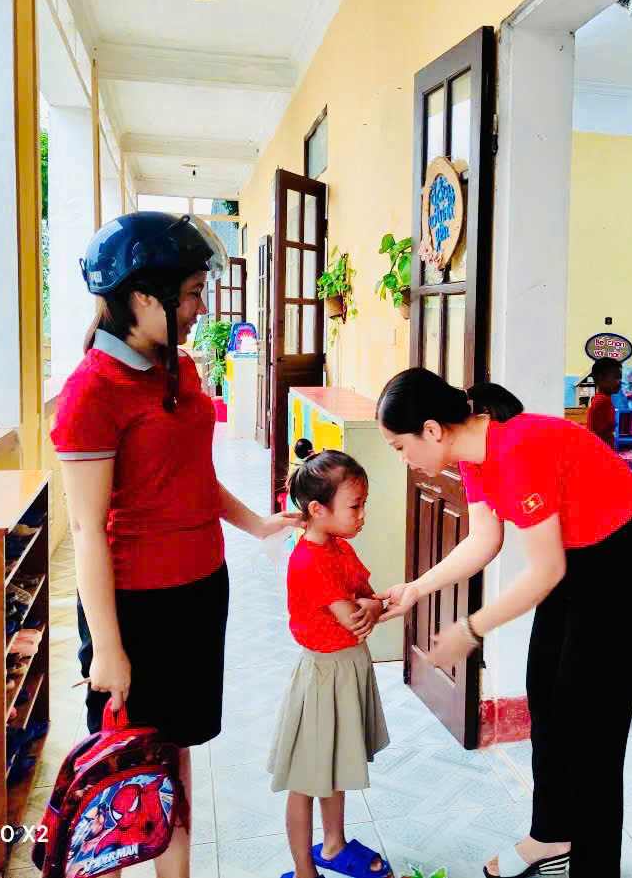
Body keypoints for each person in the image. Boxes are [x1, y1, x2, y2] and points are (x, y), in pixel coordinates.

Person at [51, 211, 302, 878]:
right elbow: (87, 530)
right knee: (122, 764)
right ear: (141, 296)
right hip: (137, 606)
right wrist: (109, 647)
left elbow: (193, 478)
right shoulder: (90, 393)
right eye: (191, 293)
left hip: (199, 591)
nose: (201, 309)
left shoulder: (179, 368)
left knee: (175, 751)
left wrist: (259, 524)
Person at [374, 368, 632, 878]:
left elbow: (545, 570)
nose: (404, 459)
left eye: (400, 447)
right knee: (546, 695)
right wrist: (416, 589)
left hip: (623, 559)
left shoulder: (517, 450)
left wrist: (470, 629)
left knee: (591, 728)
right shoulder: (473, 455)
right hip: (578, 556)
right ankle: (551, 836)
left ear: (432, 430)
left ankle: (595, 867)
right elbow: (484, 540)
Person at [268, 449, 392, 878]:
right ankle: (305, 870)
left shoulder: (339, 548)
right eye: (355, 506)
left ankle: (334, 845)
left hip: (348, 668)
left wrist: (371, 606)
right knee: (307, 779)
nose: (362, 515)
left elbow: (370, 599)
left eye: (363, 504)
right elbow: (357, 617)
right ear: (318, 510)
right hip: (324, 677)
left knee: (332, 766)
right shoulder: (310, 560)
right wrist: (371, 607)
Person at [585, 356, 622, 447]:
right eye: (616, 377)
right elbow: (599, 434)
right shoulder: (603, 401)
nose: (620, 382)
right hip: (600, 449)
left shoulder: (600, 398)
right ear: (601, 378)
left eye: (620, 378)